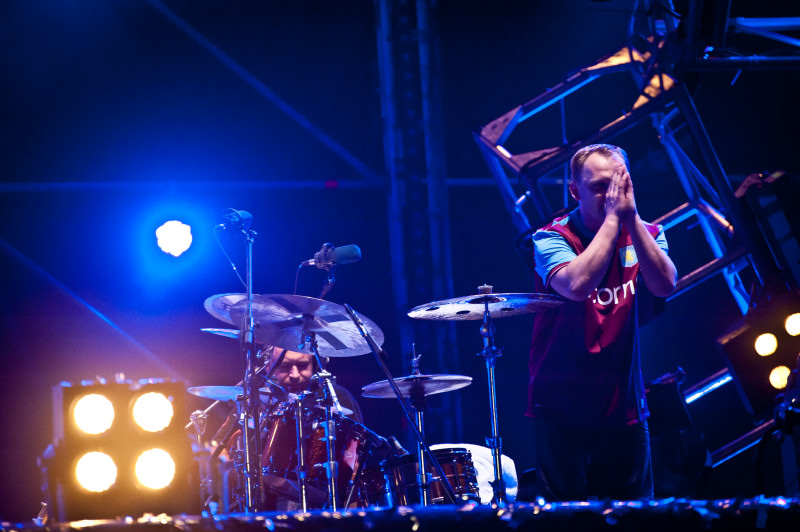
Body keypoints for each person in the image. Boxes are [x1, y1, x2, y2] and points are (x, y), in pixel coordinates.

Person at [526, 144, 677, 501]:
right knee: (567, 522)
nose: (610, 194)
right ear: (574, 190)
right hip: (561, 410)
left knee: (633, 519)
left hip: (622, 407)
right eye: (598, 186)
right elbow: (577, 286)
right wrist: (613, 220)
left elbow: (665, 284)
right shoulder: (552, 238)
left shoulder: (649, 235)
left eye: (618, 183)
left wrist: (631, 220)